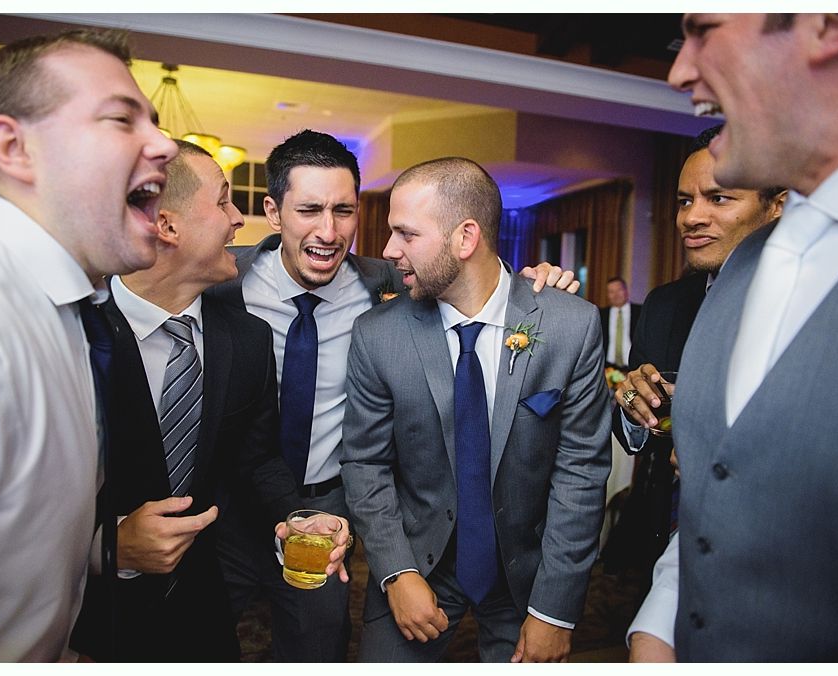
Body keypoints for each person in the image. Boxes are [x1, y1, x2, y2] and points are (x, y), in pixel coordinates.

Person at [208, 130, 579, 661]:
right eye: (309, 210)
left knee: (317, 648)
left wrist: (537, 283)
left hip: (327, 508)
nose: (329, 231)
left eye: (344, 210)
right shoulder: (222, 281)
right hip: (231, 505)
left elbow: (464, 271)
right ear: (273, 211)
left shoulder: (386, 283)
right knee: (198, 641)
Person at [0, 29, 177, 661]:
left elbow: (15, 531)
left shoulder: (66, 310)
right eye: (120, 119)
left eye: (155, 123)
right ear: (12, 147)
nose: (164, 145)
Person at [630, 13, 838, 661]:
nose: (681, 70)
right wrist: (657, 628)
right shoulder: (742, 268)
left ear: (830, 23)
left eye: (706, 28)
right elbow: (725, 493)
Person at [68, 140, 351, 661]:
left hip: (199, 603)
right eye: (223, 201)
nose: (237, 220)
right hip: (82, 614)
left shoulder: (245, 339)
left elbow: (256, 455)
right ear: (168, 226)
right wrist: (106, 548)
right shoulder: (73, 336)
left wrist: (295, 515)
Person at [341, 157, 611, 662]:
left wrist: (554, 610)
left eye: (406, 234)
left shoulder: (570, 326)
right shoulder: (378, 335)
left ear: (465, 238)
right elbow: (365, 463)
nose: (388, 250)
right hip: (419, 559)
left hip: (526, 573)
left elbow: (581, 474)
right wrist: (397, 574)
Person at [600, 124, 785, 589]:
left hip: (775, 562)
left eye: (718, 199)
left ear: (776, 207)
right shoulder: (663, 305)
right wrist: (631, 405)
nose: (691, 218)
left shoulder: (816, 312)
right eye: (684, 201)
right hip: (664, 545)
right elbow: (635, 432)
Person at [599, 277, 641, 371]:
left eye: (619, 290)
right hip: (607, 369)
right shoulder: (600, 315)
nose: (616, 295)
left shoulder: (640, 312)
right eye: (611, 292)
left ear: (626, 291)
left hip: (634, 368)